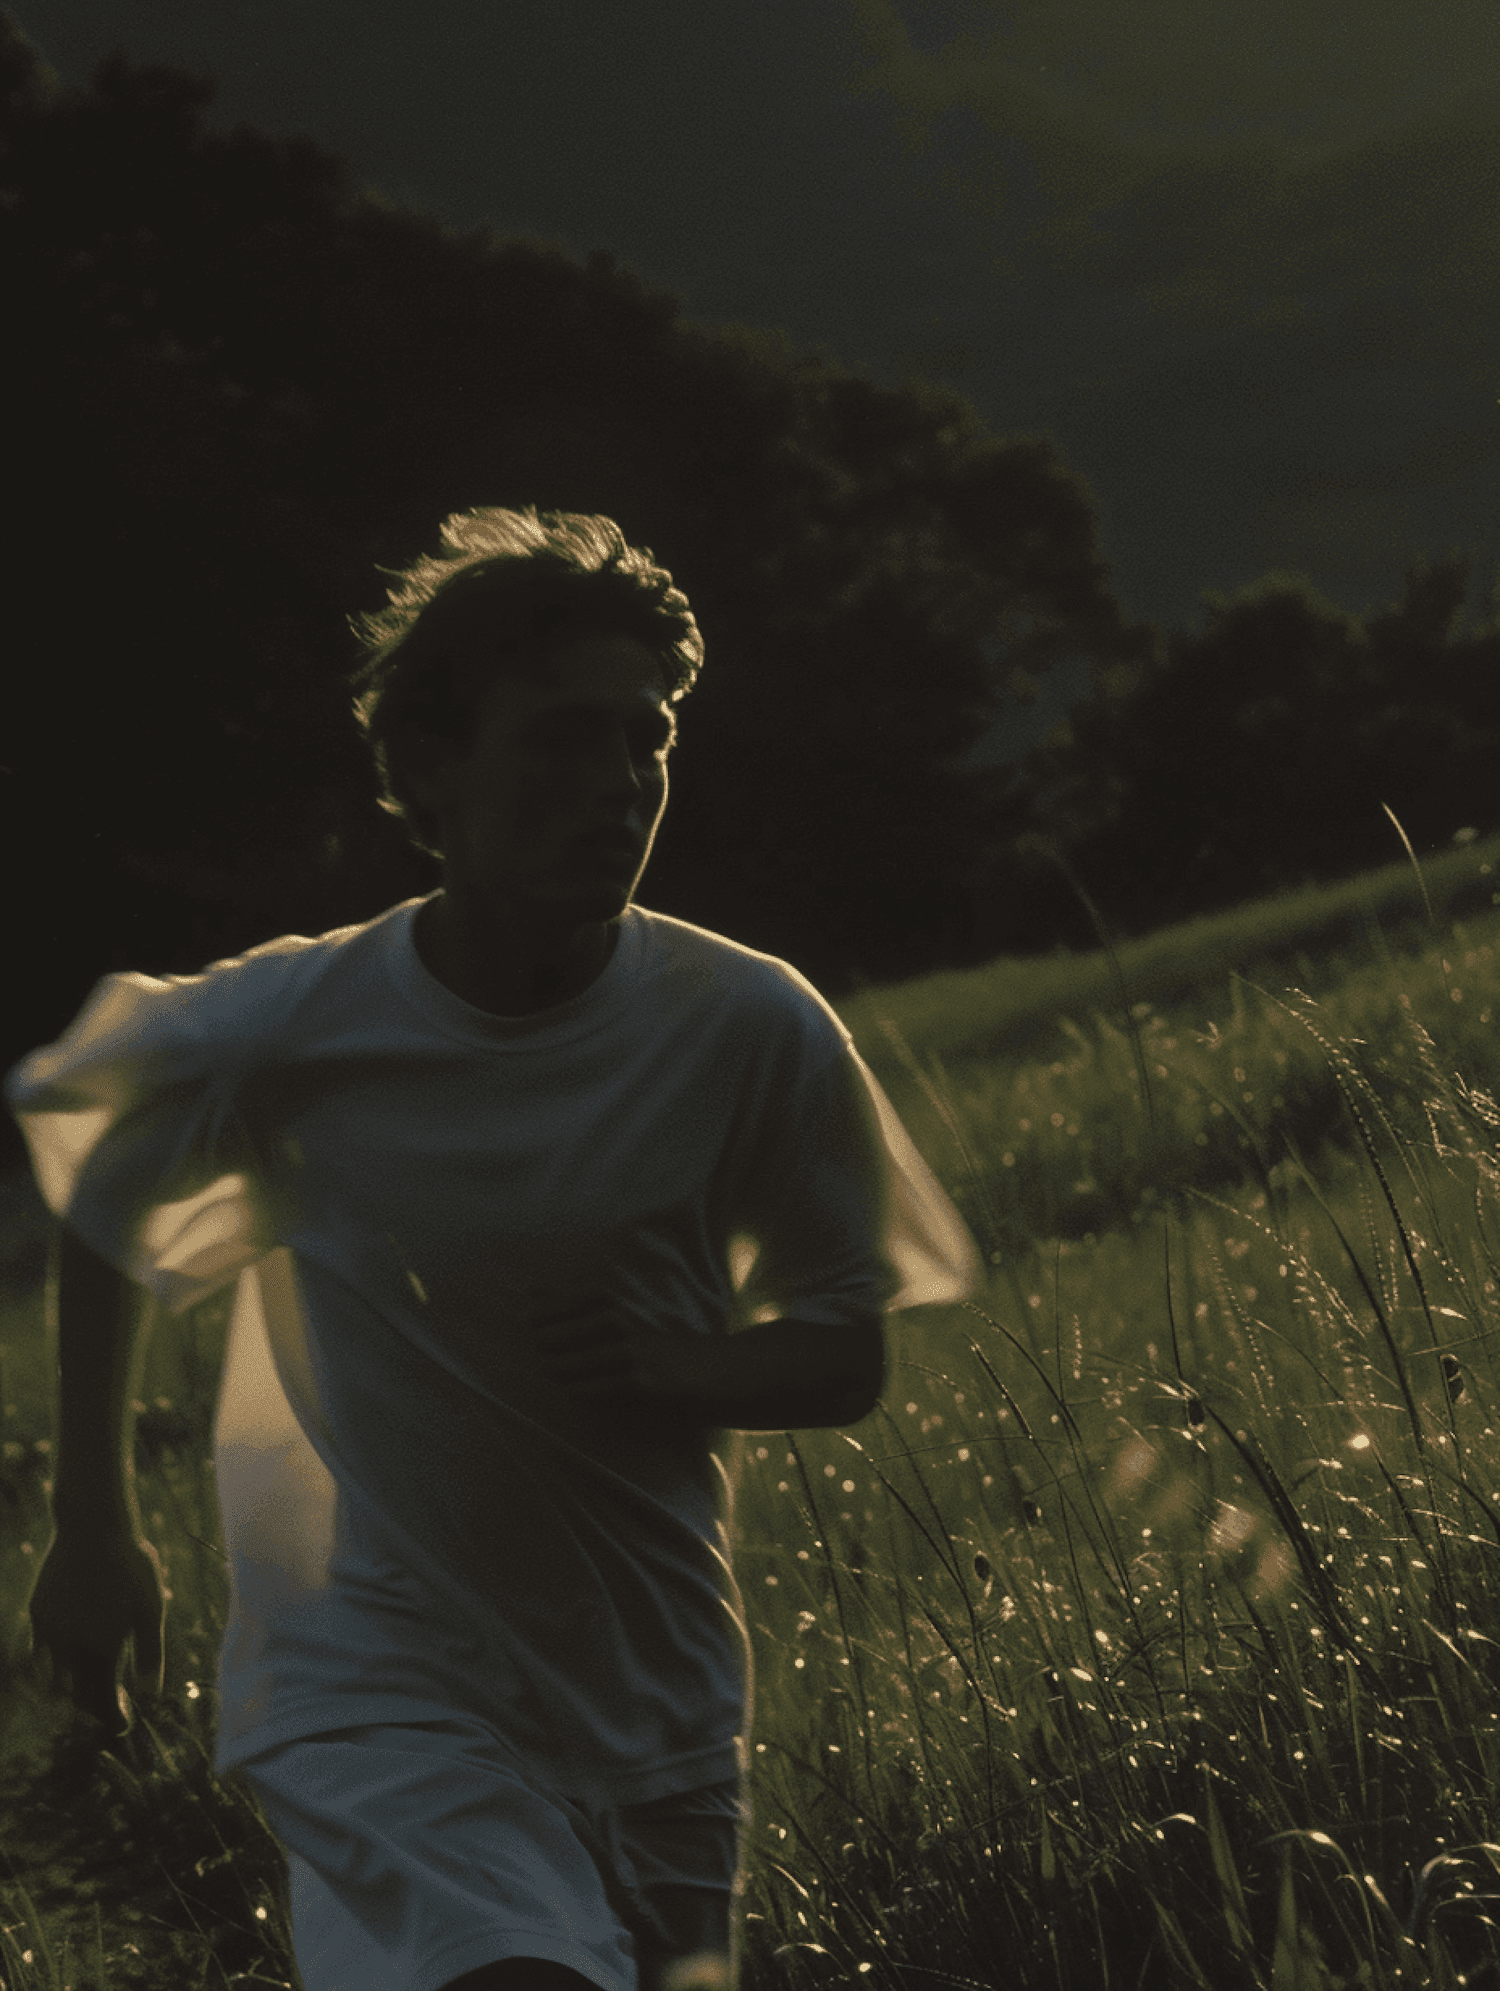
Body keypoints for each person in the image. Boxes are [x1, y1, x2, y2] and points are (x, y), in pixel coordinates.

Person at [7, 506, 981, 1991]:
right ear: (432, 769)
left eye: (645, 741)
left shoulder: (750, 1026)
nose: (617, 785)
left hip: (656, 1700)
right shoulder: (293, 1030)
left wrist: (683, 1366)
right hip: (377, 1692)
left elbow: (846, 1347)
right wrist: (93, 1523)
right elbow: (102, 1182)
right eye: (563, 741)